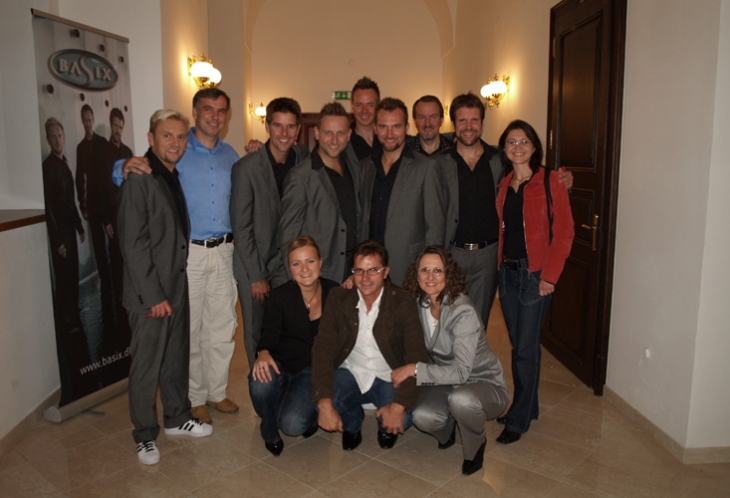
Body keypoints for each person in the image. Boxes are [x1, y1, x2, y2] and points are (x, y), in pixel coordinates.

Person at [114, 89, 241, 424]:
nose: (215, 116)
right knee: (190, 330)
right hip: (189, 255)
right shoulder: (178, 150)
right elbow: (136, 170)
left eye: (221, 110)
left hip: (224, 250)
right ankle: (194, 398)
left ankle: (217, 391)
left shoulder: (231, 155)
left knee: (222, 326)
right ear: (196, 112)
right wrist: (121, 166)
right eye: (208, 109)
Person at [117, 109, 213, 466]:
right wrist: (153, 296)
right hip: (150, 294)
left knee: (175, 356)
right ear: (151, 139)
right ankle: (144, 435)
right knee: (146, 365)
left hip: (175, 283)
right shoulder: (139, 179)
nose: (175, 143)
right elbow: (133, 244)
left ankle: (176, 417)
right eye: (167, 135)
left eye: (181, 136)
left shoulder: (170, 175)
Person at [438, 93, 573, 326]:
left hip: (488, 256)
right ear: (453, 124)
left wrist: (564, 181)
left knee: (478, 321)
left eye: (474, 120)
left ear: (482, 123)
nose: (469, 126)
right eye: (462, 120)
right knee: (446, 319)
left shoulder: (498, 160)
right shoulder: (439, 163)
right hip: (452, 252)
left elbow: (531, 175)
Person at [393, 246, 508, 476]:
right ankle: (447, 432)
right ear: (416, 274)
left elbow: (462, 373)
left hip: (482, 382)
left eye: (438, 270)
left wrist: (415, 370)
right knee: (422, 416)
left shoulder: (462, 311)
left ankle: (476, 445)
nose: (430, 276)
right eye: (424, 270)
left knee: (461, 400)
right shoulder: (421, 303)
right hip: (445, 378)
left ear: (449, 274)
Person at [493, 120, 574, 445]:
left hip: (534, 275)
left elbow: (565, 233)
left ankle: (519, 418)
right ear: (504, 149)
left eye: (523, 141)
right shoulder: (504, 184)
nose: (518, 147)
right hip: (508, 275)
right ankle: (530, 406)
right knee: (521, 346)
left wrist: (549, 276)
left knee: (525, 349)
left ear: (534, 146)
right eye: (511, 142)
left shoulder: (551, 180)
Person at [312, 240, 429, 451]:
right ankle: (353, 424)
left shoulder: (402, 302)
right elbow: (323, 349)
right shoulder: (338, 298)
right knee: (325, 399)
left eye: (373, 270)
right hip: (350, 373)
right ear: (352, 272)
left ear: (386, 272)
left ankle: (385, 425)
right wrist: (324, 404)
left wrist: (398, 407)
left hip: (389, 376)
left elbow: (417, 357)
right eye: (359, 271)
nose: (365, 278)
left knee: (403, 418)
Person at [230, 97, 310, 371]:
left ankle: (284, 382)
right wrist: (256, 276)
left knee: (288, 328)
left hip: (287, 263)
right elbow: (241, 227)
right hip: (254, 263)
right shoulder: (246, 168)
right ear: (267, 126)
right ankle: (260, 388)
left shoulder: (303, 158)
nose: (284, 133)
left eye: (290, 127)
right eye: (278, 126)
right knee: (257, 333)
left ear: (298, 129)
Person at [249, 236, 339, 456]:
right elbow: (269, 332)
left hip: (311, 371)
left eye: (310, 261)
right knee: (260, 382)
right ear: (290, 268)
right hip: (281, 363)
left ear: (320, 262)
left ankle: (304, 413)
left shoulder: (335, 293)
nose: (304, 269)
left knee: (292, 425)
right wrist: (263, 352)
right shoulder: (281, 296)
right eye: (296, 264)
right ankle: (269, 428)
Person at [361, 98, 445, 285]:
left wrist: (428, 271)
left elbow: (435, 227)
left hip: (408, 267)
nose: (390, 134)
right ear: (375, 128)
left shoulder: (426, 167)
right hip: (370, 270)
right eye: (383, 127)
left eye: (396, 127)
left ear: (407, 127)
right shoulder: (366, 166)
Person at [279, 102, 364, 283]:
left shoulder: (354, 168)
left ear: (349, 135)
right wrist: (297, 285)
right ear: (317, 133)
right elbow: (288, 237)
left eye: (340, 133)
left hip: (354, 274)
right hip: (320, 275)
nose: (334, 140)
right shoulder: (300, 177)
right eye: (328, 133)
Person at [42, 117, 90, 403]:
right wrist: (58, 240)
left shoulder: (65, 164)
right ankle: (69, 323)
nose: (58, 139)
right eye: (53, 136)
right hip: (60, 234)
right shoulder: (48, 167)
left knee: (72, 276)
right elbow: (49, 207)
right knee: (64, 279)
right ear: (48, 139)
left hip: (70, 232)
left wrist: (80, 228)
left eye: (60, 135)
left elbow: (71, 202)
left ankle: (73, 317)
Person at [76, 105, 112, 320]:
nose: (88, 124)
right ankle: (105, 286)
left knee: (110, 245)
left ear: (93, 119)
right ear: (82, 121)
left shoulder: (102, 143)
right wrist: (82, 204)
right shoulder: (81, 147)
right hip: (92, 204)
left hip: (105, 202)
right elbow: (79, 177)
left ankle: (112, 284)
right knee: (98, 247)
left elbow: (107, 177)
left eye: (90, 120)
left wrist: (109, 212)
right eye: (85, 120)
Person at [348, 76, 381, 160]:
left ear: (378, 106)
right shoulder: (344, 142)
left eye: (370, 105)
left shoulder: (388, 138)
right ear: (352, 106)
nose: (364, 111)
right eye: (359, 105)